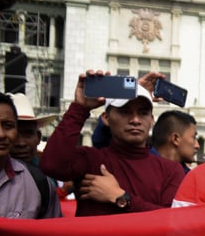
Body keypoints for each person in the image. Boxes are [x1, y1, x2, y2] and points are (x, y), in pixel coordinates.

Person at [40, 71, 185, 216]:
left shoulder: (171, 171)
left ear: (152, 119)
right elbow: (52, 165)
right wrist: (79, 109)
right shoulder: (90, 160)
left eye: (143, 113)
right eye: (125, 111)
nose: (135, 120)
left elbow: (171, 220)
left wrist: (120, 197)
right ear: (105, 118)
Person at [0, 93, 61, 218]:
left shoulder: (40, 182)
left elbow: (52, 233)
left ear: (38, 138)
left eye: (8, 126)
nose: (20, 143)